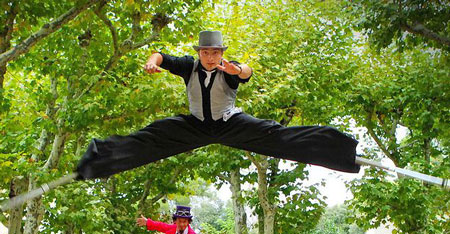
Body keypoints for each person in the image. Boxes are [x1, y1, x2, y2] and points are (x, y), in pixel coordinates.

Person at [76, 30, 360, 183]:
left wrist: (237, 71)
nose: (211, 57)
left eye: (215, 52)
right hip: (196, 126)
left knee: (278, 135)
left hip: (230, 124)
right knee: (152, 135)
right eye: (206, 52)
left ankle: (340, 151)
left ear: (221, 53)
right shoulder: (189, 65)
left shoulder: (228, 67)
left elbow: (245, 71)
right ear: (199, 53)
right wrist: (153, 61)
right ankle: (97, 162)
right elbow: (162, 55)